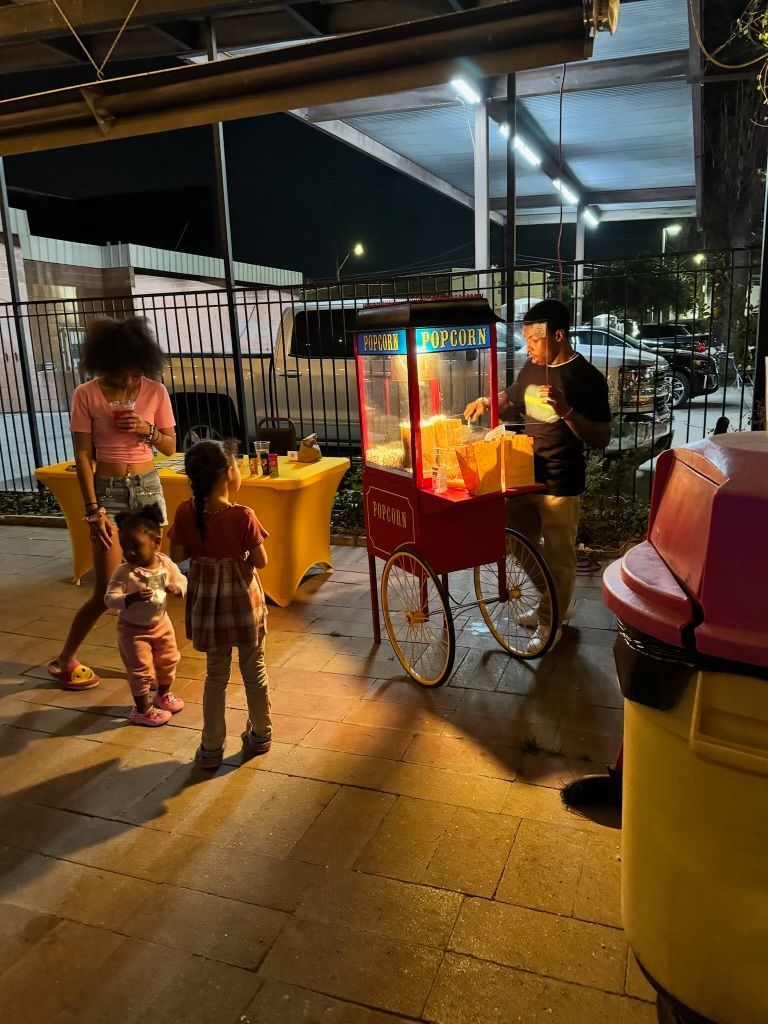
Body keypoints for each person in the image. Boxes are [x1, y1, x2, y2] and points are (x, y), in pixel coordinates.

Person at [465, 298, 611, 642]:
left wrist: (566, 410)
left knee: (560, 558)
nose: (528, 346)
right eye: (527, 338)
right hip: (526, 476)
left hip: (561, 482)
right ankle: (554, 602)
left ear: (558, 335)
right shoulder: (532, 368)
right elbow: (514, 395)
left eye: (534, 339)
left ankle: (550, 622)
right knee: (514, 540)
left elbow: (601, 437)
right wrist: (488, 401)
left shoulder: (587, 378)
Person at [47, 317, 177, 691]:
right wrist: (92, 509)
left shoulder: (155, 391)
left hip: (147, 489)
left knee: (152, 581)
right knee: (106, 590)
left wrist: (147, 431)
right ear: (105, 363)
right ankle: (65, 659)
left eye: (137, 372)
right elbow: (82, 455)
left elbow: (170, 446)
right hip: (107, 492)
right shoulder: (85, 394)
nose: (130, 382)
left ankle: (153, 662)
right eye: (122, 373)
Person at [169, 439, 272, 770]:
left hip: (208, 607)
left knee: (216, 675)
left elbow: (177, 555)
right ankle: (261, 734)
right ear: (229, 472)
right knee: (253, 669)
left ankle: (211, 746)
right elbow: (262, 561)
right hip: (243, 604)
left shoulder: (185, 511)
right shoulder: (243, 515)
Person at [104, 504, 187, 726]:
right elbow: (109, 598)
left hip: (162, 623)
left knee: (169, 659)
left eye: (136, 546)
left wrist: (177, 588)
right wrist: (129, 598)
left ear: (156, 543)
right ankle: (141, 709)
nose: (129, 552)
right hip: (132, 631)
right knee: (140, 670)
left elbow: (181, 579)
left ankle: (163, 694)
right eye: (125, 547)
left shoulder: (165, 563)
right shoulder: (124, 572)